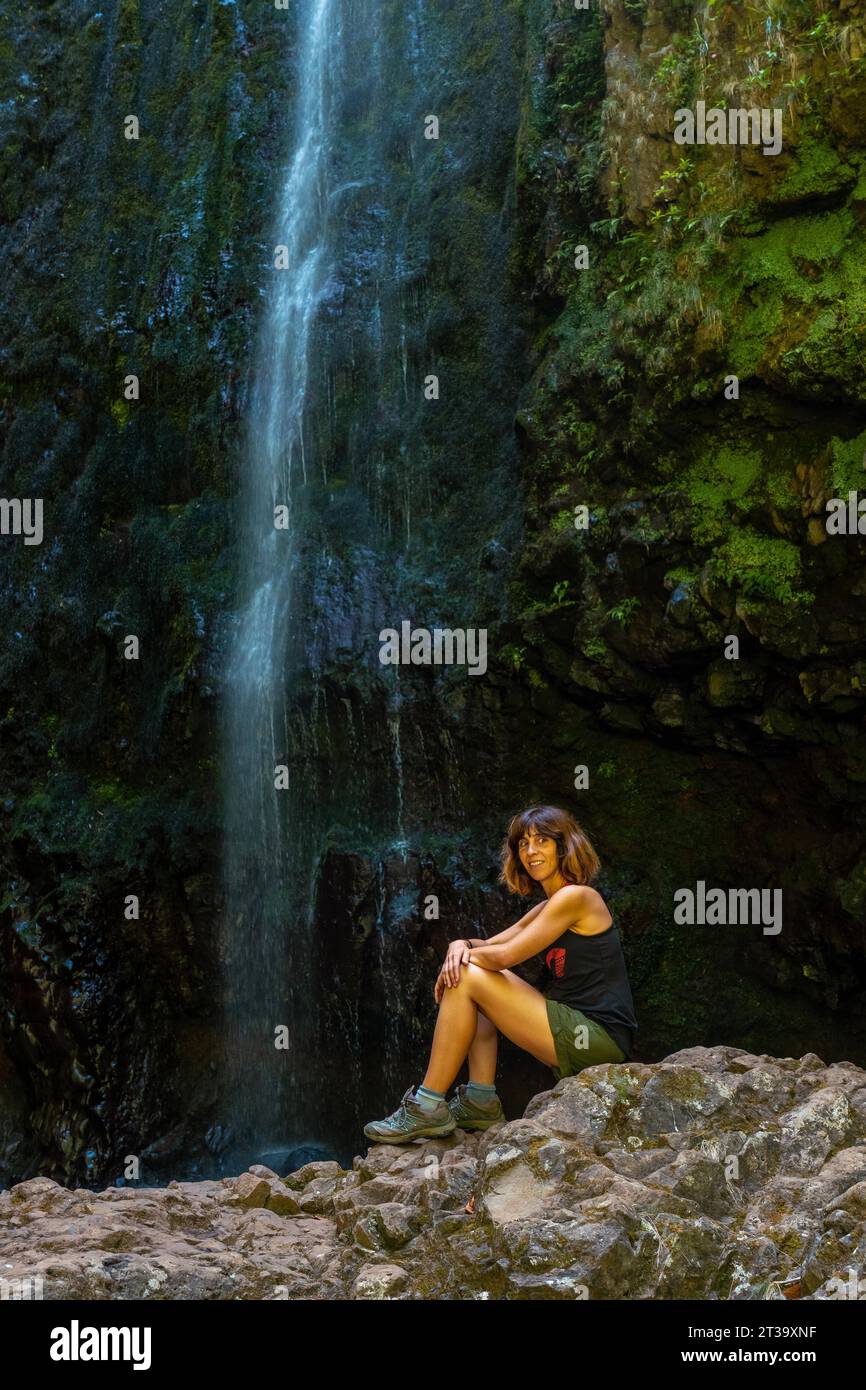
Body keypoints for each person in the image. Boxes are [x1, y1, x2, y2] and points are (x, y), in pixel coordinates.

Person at [363, 804, 638, 1143]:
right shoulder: (548, 906)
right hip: (573, 1029)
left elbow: (506, 955)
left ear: (564, 846)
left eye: (542, 841)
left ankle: (427, 1105)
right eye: (523, 844)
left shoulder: (578, 898)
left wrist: (462, 958)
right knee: (470, 976)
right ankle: (480, 1100)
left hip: (596, 1037)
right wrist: (459, 944)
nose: (531, 851)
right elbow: (492, 943)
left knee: (467, 975)